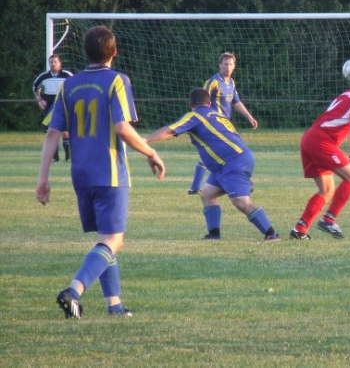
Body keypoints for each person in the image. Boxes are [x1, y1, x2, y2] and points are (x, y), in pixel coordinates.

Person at [36, 26, 166, 319]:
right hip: (109, 173)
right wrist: (151, 151)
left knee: (107, 237)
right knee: (114, 239)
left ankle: (114, 305)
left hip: (80, 175)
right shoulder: (117, 80)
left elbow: (52, 133)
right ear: (114, 51)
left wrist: (43, 179)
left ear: (86, 52)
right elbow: (122, 128)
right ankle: (74, 290)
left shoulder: (69, 85)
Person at [146, 88, 279, 241]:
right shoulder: (218, 115)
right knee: (207, 194)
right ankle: (214, 235)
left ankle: (271, 234)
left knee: (241, 202)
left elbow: (170, 130)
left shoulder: (195, 115)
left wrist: (145, 140)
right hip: (231, 162)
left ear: (190, 104)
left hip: (232, 163)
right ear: (209, 103)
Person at [290, 64, 350, 240]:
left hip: (310, 138)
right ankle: (329, 219)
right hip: (322, 142)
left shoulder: (348, 93)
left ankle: (299, 230)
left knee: (326, 190)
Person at [188, 52, 258, 195]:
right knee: (229, 152)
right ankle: (242, 181)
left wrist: (249, 117)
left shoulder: (231, 83)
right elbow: (201, 101)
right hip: (212, 125)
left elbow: (236, 102)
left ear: (234, 66)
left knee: (228, 152)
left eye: (230, 64)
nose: (228, 67)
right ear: (220, 65)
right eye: (225, 64)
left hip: (225, 125)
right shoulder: (213, 82)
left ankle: (196, 187)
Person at [33, 54, 73, 162]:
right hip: (50, 107)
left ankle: (68, 157)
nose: (53, 64)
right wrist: (39, 100)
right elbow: (35, 88)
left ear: (60, 63)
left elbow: (75, 87)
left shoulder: (67, 75)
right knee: (51, 131)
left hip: (63, 105)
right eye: (51, 62)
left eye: (55, 62)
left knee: (65, 131)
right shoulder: (43, 76)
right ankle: (55, 158)